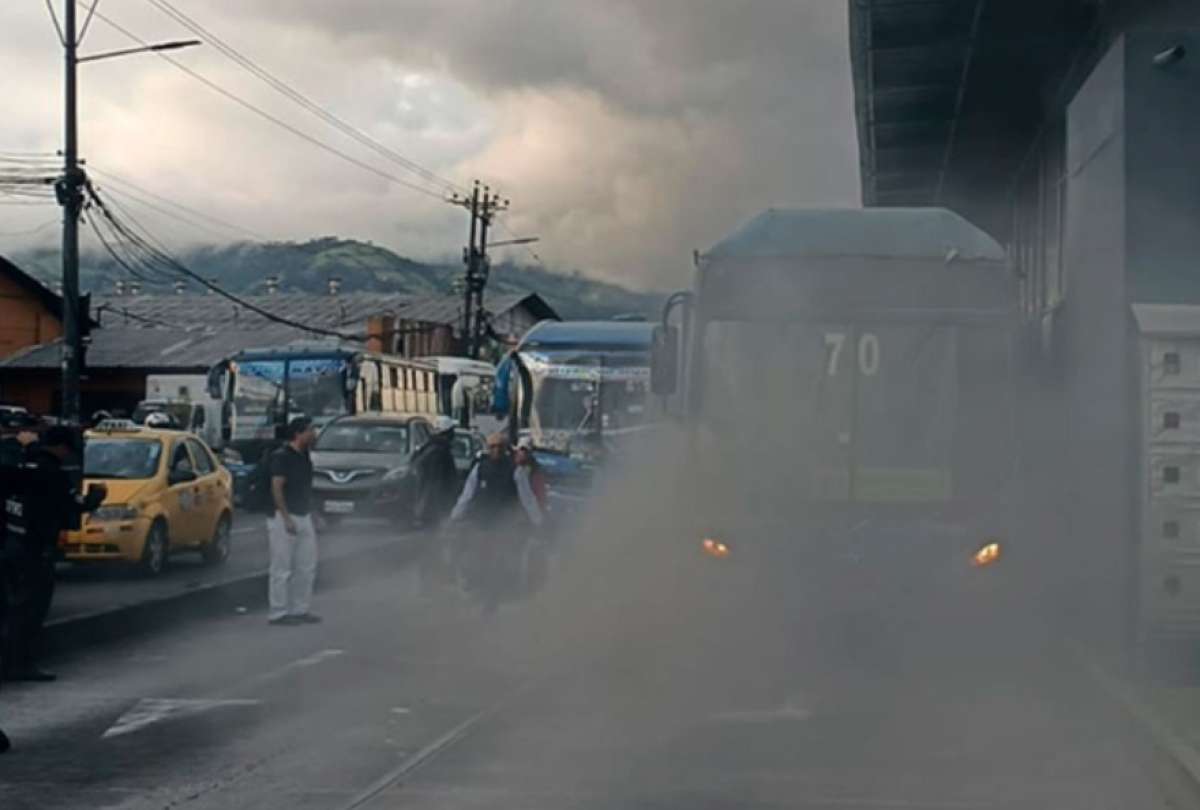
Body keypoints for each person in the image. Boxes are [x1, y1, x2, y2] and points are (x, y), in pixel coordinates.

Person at [3, 426, 105, 682]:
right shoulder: (52, 474)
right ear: (61, 448)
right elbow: (70, 505)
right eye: (68, 449)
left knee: (12, 608)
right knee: (31, 609)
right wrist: (94, 498)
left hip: (11, 544)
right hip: (36, 550)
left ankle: (11, 660)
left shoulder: (20, 464)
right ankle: (19, 663)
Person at [266, 417, 321, 626]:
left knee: (306, 565)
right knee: (282, 566)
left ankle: (300, 608)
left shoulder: (304, 456)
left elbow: (306, 488)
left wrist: (313, 513)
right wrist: (286, 517)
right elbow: (277, 487)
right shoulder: (282, 457)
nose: (314, 434)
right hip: (283, 517)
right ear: (299, 433)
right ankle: (278, 612)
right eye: (310, 430)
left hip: (303, 514)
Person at [412, 416, 461, 529]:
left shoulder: (428, 447)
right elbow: (437, 482)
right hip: (434, 508)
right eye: (452, 430)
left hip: (428, 506)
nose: (454, 434)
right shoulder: (439, 451)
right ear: (447, 432)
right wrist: (444, 506)